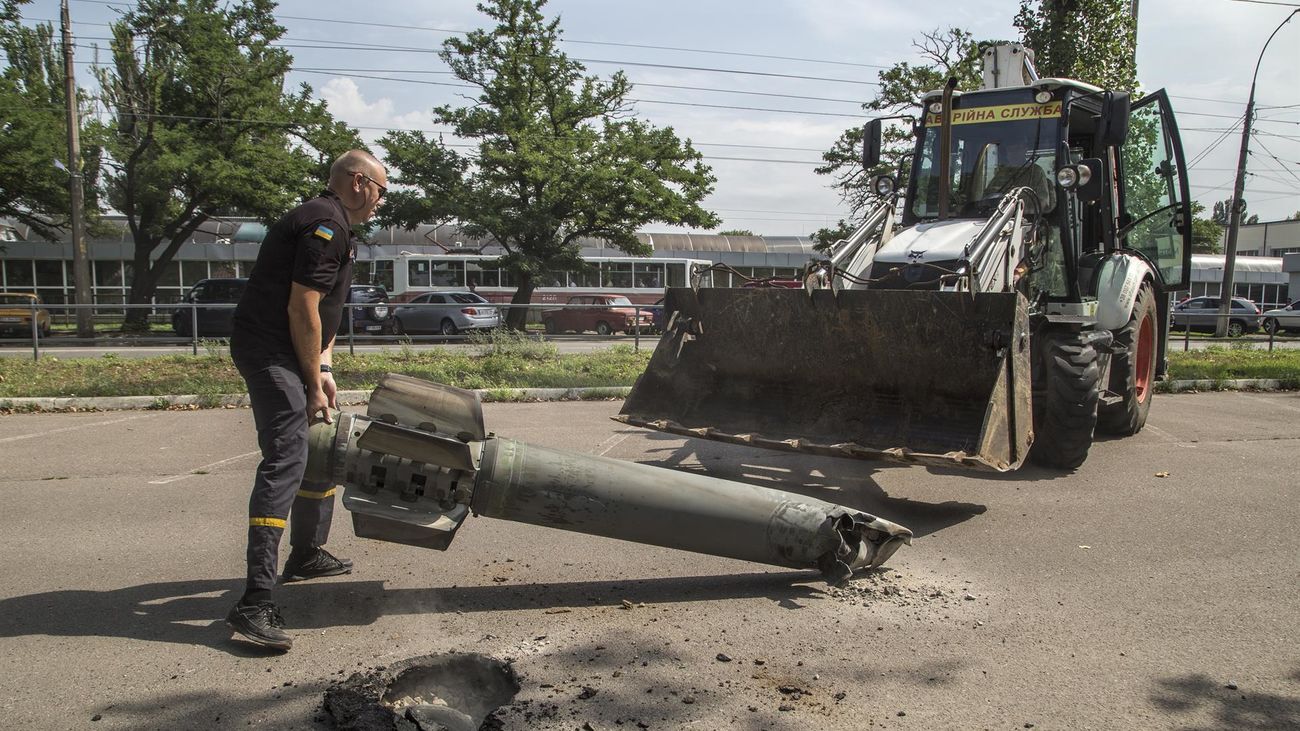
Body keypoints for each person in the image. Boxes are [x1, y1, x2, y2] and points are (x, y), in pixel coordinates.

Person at [224, 150, 388, 651]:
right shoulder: (323, 223)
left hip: (291, 351)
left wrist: (325, 369)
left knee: (322, 438)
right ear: (358, 182)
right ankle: (254, 602)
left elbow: (328, 311)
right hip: (272, 351)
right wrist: (311, 379)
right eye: (381, 190)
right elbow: (303, 307)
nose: (382, 202)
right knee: (287, 457)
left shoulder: (335, 223)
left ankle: (307, 553)